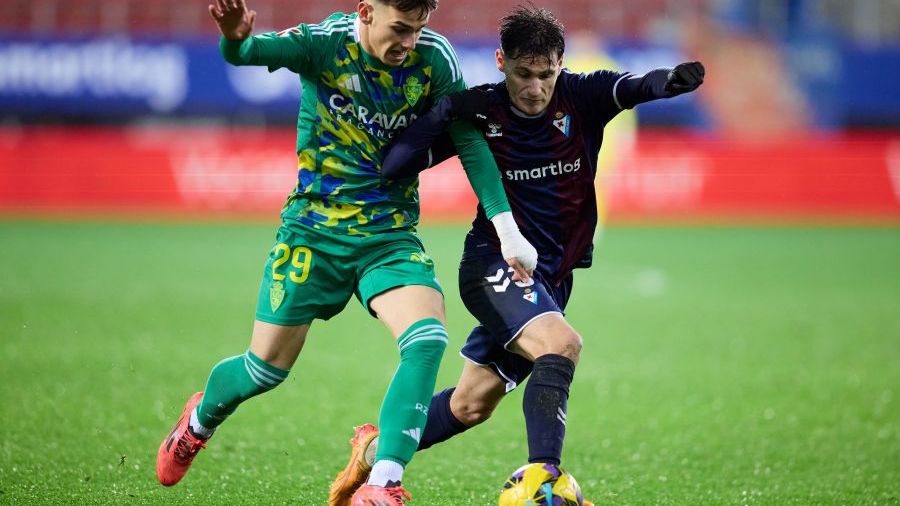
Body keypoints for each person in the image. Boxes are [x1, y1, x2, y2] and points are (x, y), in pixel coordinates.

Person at [155, 1, 539, 505]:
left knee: (427, 338)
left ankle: (383, 482)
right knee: (264, 369)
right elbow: (245, 54)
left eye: (419, 29)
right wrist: (234, 36)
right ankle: (198, 423)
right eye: (400, 28)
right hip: (313, 233)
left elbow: (468, 141)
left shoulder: (434, 58)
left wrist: (507, 229)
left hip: (388, 235)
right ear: (365, 11)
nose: (409, 42)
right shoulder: (324, 43)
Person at [328, 5, 704, 504]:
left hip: (552, 278)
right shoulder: (483, 110)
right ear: (501, 62)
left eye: (546, 74)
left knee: (471, 404)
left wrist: (670, 82)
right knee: (561, 345)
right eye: (524, 74)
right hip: (494, 265)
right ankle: (544, 482)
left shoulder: (582, 96)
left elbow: (635, 86)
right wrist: (442, 113)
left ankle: (373, 453)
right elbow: (394, 165)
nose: (535, 88)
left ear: (560, 65)